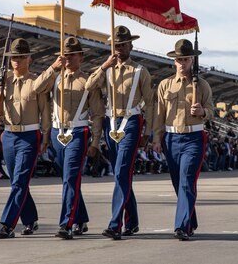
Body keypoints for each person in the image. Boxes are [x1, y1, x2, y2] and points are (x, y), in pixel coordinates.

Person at [86, 26, 153, 240]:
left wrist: (148, 131)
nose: (120, 48)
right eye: (116, 45)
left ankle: (115, 224)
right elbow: (89, 85)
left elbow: (151, 103)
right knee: (119, 173)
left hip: (131, 121)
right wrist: (106, 65)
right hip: (110, 122)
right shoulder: (106, 69)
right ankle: (131, 221)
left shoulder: (140, 71)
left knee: (122, 172)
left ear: (131, 46)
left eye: (123, 44)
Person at [0, 38, 56, 239]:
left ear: (29, 58)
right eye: (13, 58)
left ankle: (7, 224)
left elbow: (45, 112)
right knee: (16, 182)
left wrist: (46, 137)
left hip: (29, 136)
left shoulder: (36, 83)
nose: (16, 61)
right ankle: (30, 220)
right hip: (9, 135)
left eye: (21, 57)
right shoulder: (4, 83)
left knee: (19, 180)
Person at [153, 39, 213, 241]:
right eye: (179, 59)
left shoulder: (202, 85)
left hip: (194, 138)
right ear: (174, 61)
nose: (182, 63)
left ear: (192, 60)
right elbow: (159, 115)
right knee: (178, 183)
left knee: (187, 181)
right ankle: (190, 220)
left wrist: (203, 111)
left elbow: (211, 111)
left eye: (186, 59)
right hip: (171, 138)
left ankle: (181, 226)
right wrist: (156, 138)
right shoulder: (165, 85)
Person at [48, 37, 105, 239]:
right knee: (67, 180)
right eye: (65, 54)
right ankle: (80, 218)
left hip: (78, 133)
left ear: (81, 57)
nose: (69, 58)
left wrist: (96, 141)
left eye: (73, 54)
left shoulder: (88, 82)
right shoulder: (54, 78)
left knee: (71, 178)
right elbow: (37, 90)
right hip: (56, 132)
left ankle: (67, 224)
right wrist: (53, 68)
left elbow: (98, 114)